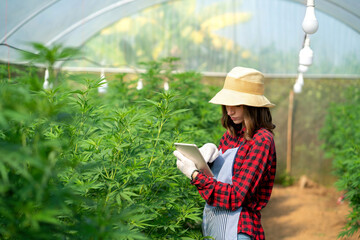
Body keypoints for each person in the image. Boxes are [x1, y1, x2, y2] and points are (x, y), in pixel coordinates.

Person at [174, 67, 276, 240]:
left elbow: (236, 196)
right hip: (216, 223)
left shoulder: (262, 141)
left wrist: (194, 175)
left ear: (252, 105)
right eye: (227, 104)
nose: (229, 111)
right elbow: (218, 182)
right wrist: (205, 162)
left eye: (236, 104)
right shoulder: (230, 136)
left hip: (239, 229)